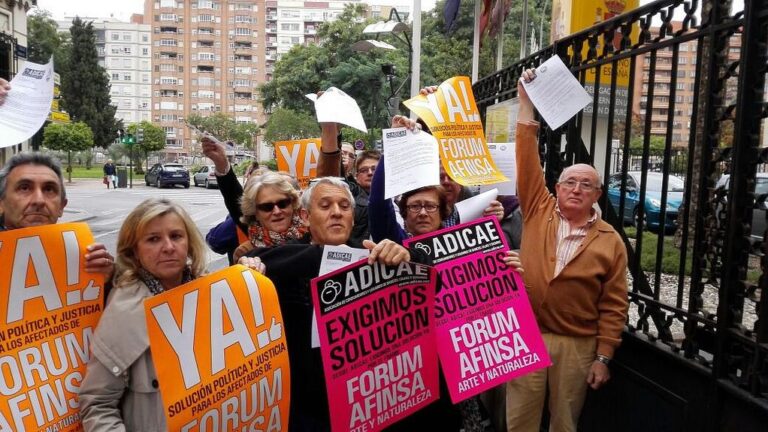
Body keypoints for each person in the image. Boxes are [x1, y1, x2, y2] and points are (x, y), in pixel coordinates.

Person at [238, 176, 461, 431]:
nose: (336, 213)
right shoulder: (280, 262)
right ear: (306, 216)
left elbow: (433, 283)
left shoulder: (376, 256)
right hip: (313, 411)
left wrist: (409, 256)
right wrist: (249, 271)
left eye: (344, 207)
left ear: (353, 218)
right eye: (325, 206)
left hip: (372, 405)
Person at [505, 68, 629, 432]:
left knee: (565, 423)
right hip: (525, 334)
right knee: (519, 421)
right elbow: (527, 157)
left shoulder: (610, 241)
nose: (576, 189)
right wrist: (526, 102)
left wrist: (603, 357)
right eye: (569, 182)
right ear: (556, 187)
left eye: (586, 184)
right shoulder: (538, 208)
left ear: (597, 195)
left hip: (577, 345)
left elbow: (614, 304)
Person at [78, 198, 208, 431]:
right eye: (153, 239)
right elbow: (97, 405)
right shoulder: (124, 314)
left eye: (176, 236)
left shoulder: (213, 293)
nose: (168, 247)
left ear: (189, 243)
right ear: (134, 252)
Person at [0, 153, 114, 277]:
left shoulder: (83, 257)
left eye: (49, 189)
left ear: (62, 206)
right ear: (2, 203)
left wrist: (109, 281)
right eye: (24, 188)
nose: (39, 200)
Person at [201, 135, 306, 261]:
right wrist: (221, 163)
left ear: (293, 203)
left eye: (283, 203)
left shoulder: (313, 232)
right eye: (267, 207)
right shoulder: (246, 252)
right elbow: (234, 198)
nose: (277, 211)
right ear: (255, 213)